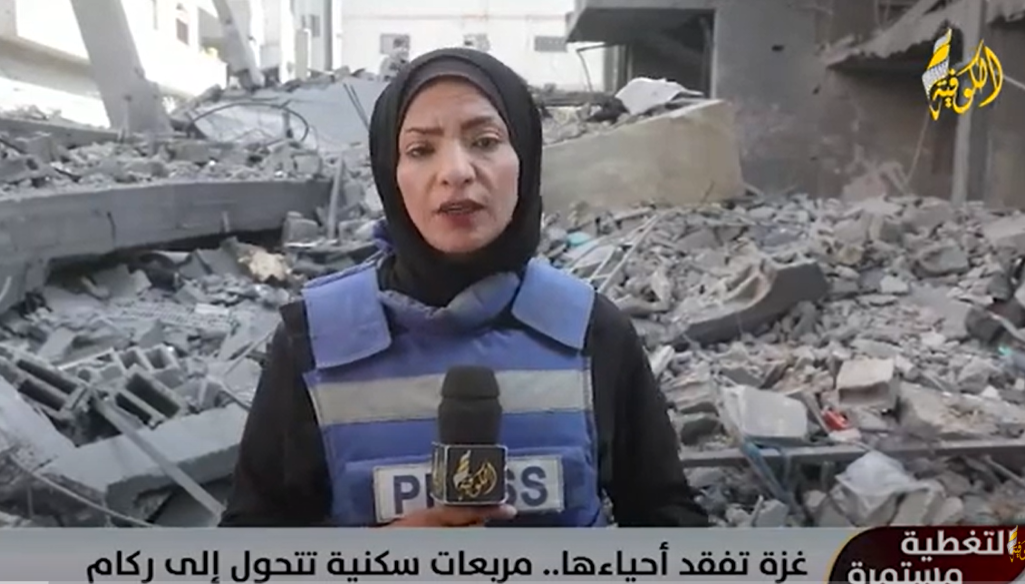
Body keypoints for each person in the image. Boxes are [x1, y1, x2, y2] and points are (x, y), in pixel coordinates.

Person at [219, 47, 708, 528]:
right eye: (420, 150)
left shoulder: (593, 331)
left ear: (526, 159)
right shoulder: (313, 340)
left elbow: (670, 523)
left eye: (485, 141)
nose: (455, 171)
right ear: (390, 175)